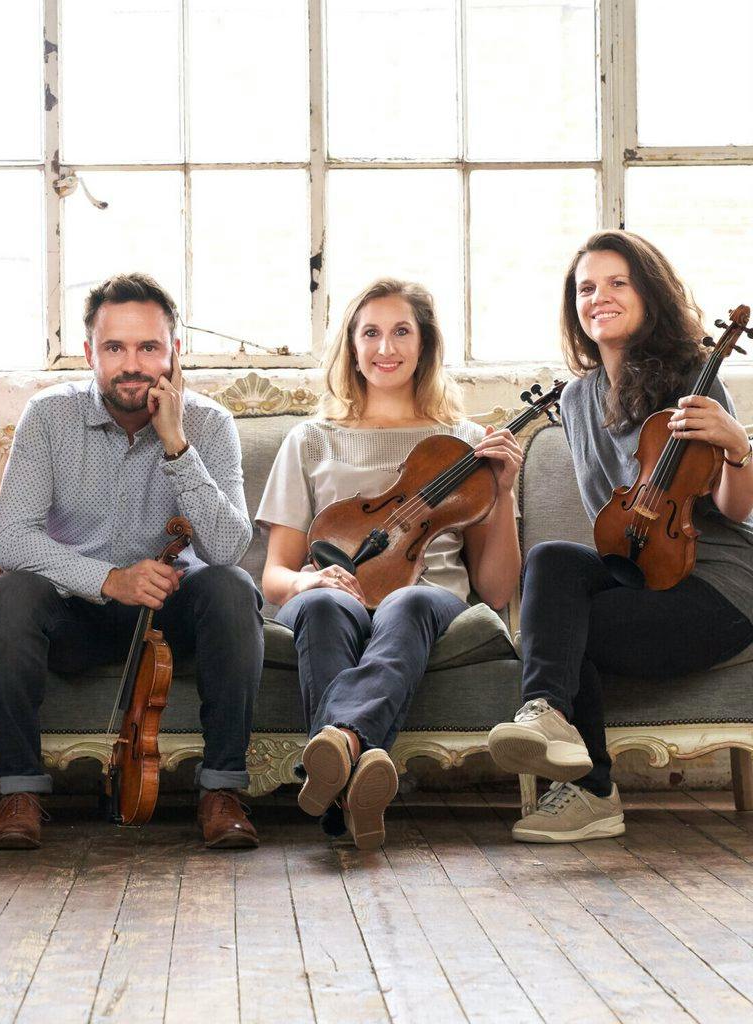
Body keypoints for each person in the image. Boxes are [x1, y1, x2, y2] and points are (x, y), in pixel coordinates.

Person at [0, 272, 263, 851]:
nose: (132, 364)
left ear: (173, 353)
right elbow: (13, 539)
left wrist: (176, 442)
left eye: (148, 347)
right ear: (90, 354)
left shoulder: (208, 424)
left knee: (232, 588)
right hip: (74, 615)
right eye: (115, 348)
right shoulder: (48, 417)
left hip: (170, 618)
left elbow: (229, 549)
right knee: (9, 597)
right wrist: (109, 580)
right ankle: (19, 792)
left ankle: (222, 790)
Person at [488, 229, 753, 843]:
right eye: (586, 288)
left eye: (616, 283)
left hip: (718, 588)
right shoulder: (577, 399)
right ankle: (546, 717)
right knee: (553, 559)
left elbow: (735, 511)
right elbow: (611, 525)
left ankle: (591, 791)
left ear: (647, 296)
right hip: (643, 572)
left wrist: (738, 447)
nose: (598, 297)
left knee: (561, 628)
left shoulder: (694, 378)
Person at [257, 278, 522, 849]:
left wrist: (501, 492)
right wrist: (310, 577)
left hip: (429, 600)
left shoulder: (466, 443)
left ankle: (340, 745)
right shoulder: (309, 439)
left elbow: (497, 589)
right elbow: (275, 574)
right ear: (350, 347)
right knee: (325, 605)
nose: (386, 348)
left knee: (407, 599)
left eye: (402, 331)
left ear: (424, 344)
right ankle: (355, 775)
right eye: (370, 333)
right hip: (333, 592)